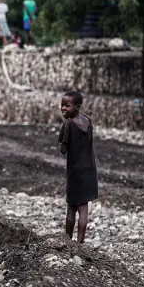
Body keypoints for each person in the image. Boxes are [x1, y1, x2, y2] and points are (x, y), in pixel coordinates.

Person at [58, 90, 98, 244]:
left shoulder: (68, 124)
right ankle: (80, 243)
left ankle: (68, 242)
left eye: (67, 106)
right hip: (89, 171)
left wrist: (64, 142)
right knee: (83, 209)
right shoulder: (88, 121)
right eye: (62, 105)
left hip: (75, 173)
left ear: (77, 106)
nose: (63, 108)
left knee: (71, 209)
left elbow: (63, 150)